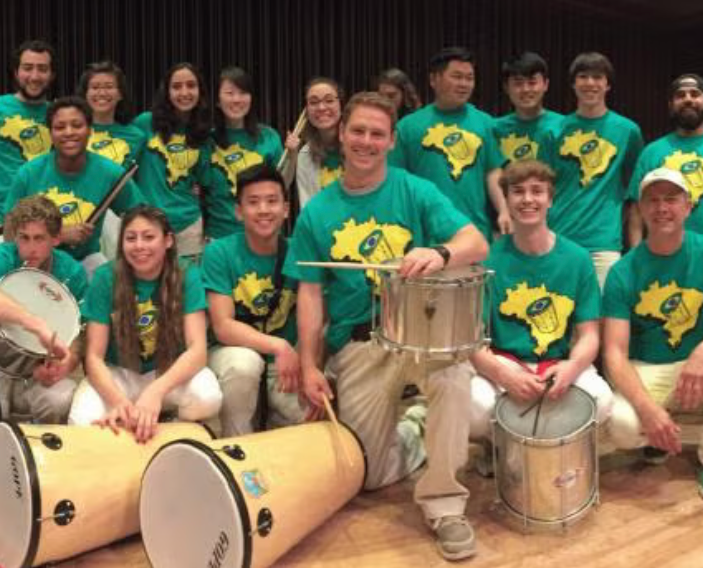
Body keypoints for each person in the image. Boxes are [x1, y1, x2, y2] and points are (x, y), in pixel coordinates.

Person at [285, 92, 489, 560]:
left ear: (392, 141)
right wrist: (310, 363)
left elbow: (475, 241)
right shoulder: (317, 212)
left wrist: (439, 253)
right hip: (358, 343)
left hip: (418, 332)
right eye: (357, 131)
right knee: (371, 476)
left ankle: (444, 504)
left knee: (453, 375)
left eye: (377, 134)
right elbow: (311, 294)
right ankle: (419, 431)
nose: (366, 141)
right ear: (341, 134)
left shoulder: (415, 190)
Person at [467, 160, 612, 458]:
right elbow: (472, 340)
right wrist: (504, 376)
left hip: (556, 363)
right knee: (471, 406)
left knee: (603, 400)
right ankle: (502, 448)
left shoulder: (578, 258)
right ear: (505, 200)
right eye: (518, 192)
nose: (528, 199)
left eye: (537, 191)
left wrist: (571, 369)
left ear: (551, 199)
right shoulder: (487, 261)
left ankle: (541, 451)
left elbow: (589, 336)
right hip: (506, 363)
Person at [604, 167, 703, 501]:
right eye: (652, 200)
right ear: (640, 210)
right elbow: (614, 352)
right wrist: (647, 409)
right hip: (650, 365)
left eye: (671, 199)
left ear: (688, 205)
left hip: (702, 364)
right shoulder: (622, 270)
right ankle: (655, 434)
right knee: (622, 425)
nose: (661, 208)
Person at [0, 195, 87, 493]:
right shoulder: (2, 256)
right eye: (24, 238)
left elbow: (80, 335)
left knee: (62, 397)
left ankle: (34, 450)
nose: (30, 248)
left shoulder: (72, 272)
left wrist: (66, 364)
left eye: (40, 238)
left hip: (36, 375)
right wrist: (34, 322)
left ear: (56, 238)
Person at [68, 205, 222, 441]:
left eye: (149, 237)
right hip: (119, 373)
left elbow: (197, 351)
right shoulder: (104, 278)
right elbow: (94, 357)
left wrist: (156, 392)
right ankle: (135, 422)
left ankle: (168, 428)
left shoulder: (186, 274)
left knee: (208, 398)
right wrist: (118, 402)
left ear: (168, 241)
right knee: (81, 424)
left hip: (167, 370)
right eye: (131, 238)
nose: (139, 246)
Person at [202, 164, 304, 436]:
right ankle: (238, 443)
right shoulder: (219, 252)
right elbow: (223, 326)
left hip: (284, 364)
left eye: (272, 201)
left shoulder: (299, 251)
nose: (263, 210)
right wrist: (279, 346)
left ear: (286, 209)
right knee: (244, 364)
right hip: (231, 353)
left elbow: (318, 316)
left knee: (306, 416)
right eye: (253, 202)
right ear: (238, 211)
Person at [3, 96, 141, 278]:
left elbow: (141, 215)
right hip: (37, 261)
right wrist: (58, 235)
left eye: (77, 125)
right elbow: (8, 233)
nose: (69, 133)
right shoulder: (28, 173)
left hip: (86, 260)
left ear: (90, 130)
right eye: (60, 127)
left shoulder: (111, 173)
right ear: (50, 134)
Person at [390, 47, 510, 242]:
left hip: (475, 233)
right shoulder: (407, 127)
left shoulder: (485, 122)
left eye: (469, 78)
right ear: (434, 80)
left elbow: (492, 171)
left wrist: (503, 210)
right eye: (457, 76)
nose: (464, 84)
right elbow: (396, 180)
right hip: (425, 237)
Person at [551, 52, 644, 288]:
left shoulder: (628, 131)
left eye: (597, 77)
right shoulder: (554, 130)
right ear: (573, 84)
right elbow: (544, 186)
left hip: (604, 245)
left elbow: (634, 189)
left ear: (608, 84)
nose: (590, 83)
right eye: (583, 76)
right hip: (559, 239)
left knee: (603, 321)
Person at [0, 40, 55, 238]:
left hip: (47, 220)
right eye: (27, 68)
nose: (34, 76)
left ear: (51, 74)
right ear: (16, 72)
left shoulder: (58, 113)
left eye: (42, 69)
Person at [629, 74, 703, 240]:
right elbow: (637, 210)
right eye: (680, 95)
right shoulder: (652, 152)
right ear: (671, 106)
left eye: (695, 94)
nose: (688, 99)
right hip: (663, 257)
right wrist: (636, 259)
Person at [133, 63, 211, 259]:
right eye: (176, 86)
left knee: (185, 287)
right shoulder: (145, 123)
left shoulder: (204, 134)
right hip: (147, 223)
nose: (184, 92)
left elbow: (205, 181)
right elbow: (125, 168)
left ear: (200, 91)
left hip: (188, 225)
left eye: (191, 85)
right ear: (166, 91)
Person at [203, 66, 283, 240]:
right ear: (217, 100)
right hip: (219, 237)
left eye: (243, 93)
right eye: (230, 93)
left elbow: (282, 182)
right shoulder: (206, 141)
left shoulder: (269, 137)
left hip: (264, 235)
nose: (237, 99)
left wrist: (291, 155)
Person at [283, 77, 345, 208]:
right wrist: (291, 155)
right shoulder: (305, 155)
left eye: (329, 100)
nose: (321, 107)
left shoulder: (358, 146)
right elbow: (308, 206)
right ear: (306, 111)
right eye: (313, 102)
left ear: (341, 104)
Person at [493, 52, 563, 168]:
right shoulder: (494, 129)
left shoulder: (563, 127)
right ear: (506, 87)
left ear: (546, 84)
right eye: (518, 83)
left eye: (532, 83)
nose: (525, 89)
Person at [78, 61, 146, 167]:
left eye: (109, 87)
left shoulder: (136, 137)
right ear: (85, 94)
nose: (102, 93)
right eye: (95, 87)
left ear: (120, 94)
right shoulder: (73, 132)